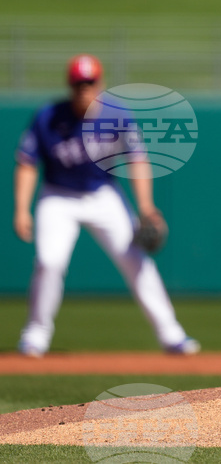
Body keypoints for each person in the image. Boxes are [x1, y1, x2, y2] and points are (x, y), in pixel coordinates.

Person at [13, 54, 199, 357]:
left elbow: (138, 160)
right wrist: (22, 208)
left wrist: (146, 206)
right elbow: (26, 163)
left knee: (135, 260)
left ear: (100, 83)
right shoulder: (48, 116)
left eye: (90, 81)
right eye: (78, 82)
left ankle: (171, 334)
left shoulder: (118, 114)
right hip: (58, 196)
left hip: (103, 194)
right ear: (69, 85)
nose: (84, 88)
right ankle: (36, 334)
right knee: (49, 261)